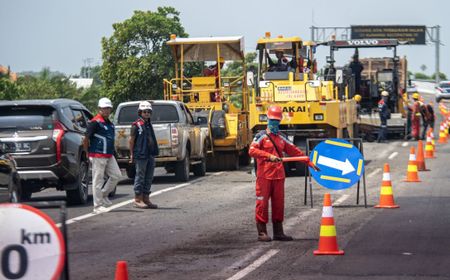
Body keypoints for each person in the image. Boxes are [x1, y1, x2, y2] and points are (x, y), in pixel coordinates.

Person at [248, 106, 305, 242]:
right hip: (264, 176)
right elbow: (252, 151)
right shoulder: (260, 136)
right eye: (272, 120)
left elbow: (294, 151)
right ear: (267, 119)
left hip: (279, 176)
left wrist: (308, 160)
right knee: (262, 204)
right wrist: (268, 156)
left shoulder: (282, 137)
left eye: (277, 121)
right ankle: (262, 233)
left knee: (279, 204)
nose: (274, 123)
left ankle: (278, 232)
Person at [83, 97, 121, 214]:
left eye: (108, 108)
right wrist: (86, 153)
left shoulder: (110, 124)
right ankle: (97, 206)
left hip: (109, 155)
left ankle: (103, 195)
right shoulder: (95, 122)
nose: (106, 110)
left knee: (116, 175)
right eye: (104, 108)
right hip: (97, 154)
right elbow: (86, 138)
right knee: (97, 180)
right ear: (99, 109)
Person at [129, 101, 159, 209]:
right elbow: (131, 141)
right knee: (140, 176)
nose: (147, 113)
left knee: (149, 176)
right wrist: (131, 154)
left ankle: (146, 198)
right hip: (141, 154)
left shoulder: (148, 124)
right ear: (140, 112)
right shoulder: (136, 125)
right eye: (144, 111)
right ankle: (138, 198)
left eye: (148, 112)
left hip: (150, 154)